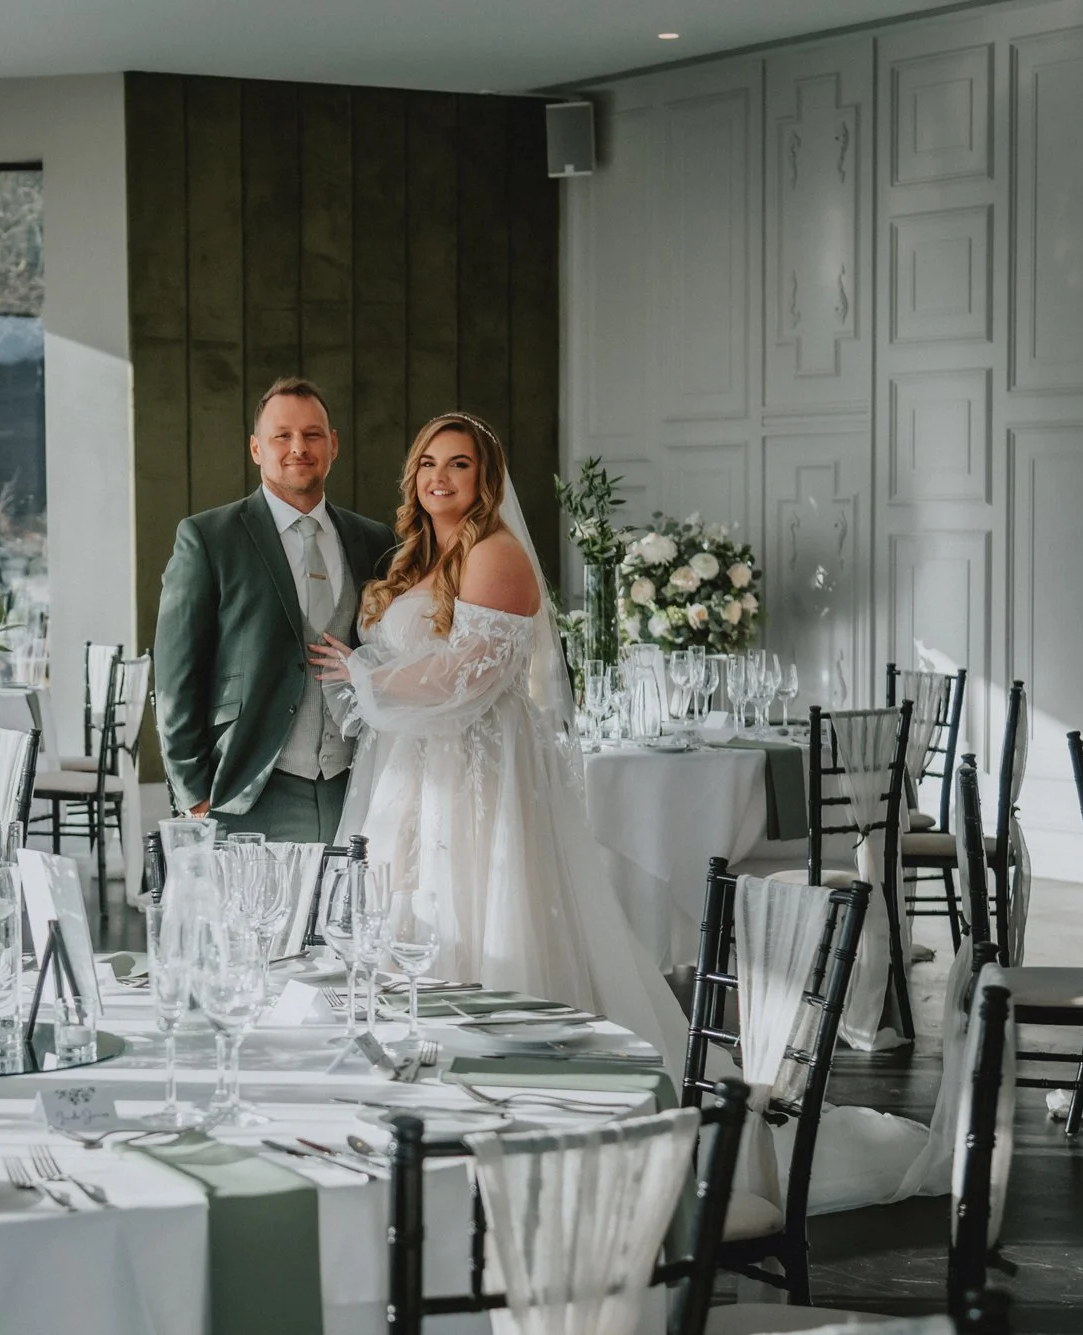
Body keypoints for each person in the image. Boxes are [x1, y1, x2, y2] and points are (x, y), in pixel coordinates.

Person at [310, 411, 687, 1065]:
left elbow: (467, 676)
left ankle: (502, 1067)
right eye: (428, 463)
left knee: (476, 903)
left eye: (458, 463)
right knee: (404, 908)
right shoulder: (414, 558)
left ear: (485, 479)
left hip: (477, 764)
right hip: (408, 766)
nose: (439, 476)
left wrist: (364, 673)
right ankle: (413, 1063)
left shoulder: (496, 553)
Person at [154, 377, 397, 843]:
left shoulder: (374, 540)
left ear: (333, 445)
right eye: (281, 435)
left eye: (312, 434)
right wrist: (192, 792)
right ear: (256, 449)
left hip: (356, 785)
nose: (298, 447)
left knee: (348, 917)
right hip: (251, 788)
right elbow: (175, 673)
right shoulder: (208, 538)